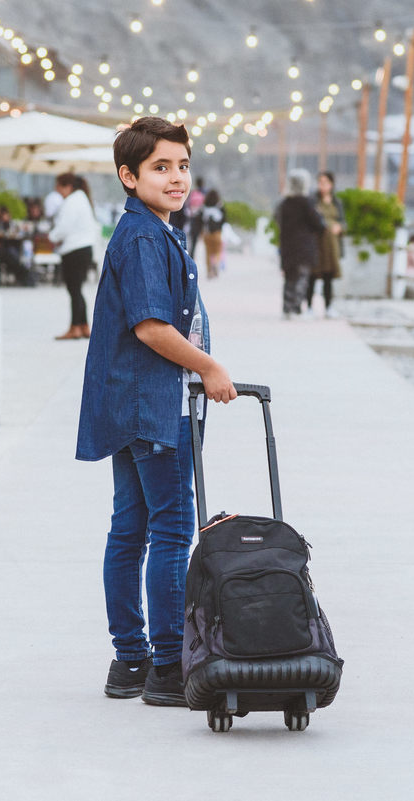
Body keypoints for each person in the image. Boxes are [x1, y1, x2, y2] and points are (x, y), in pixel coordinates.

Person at [76, 116, 237, 707]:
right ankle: (167, 665)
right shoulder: (145, 236)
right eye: (160, 167)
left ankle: (129, 660)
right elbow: (150, 327)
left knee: (131, 527)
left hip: (134, 401)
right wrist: (209, 367)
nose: (176, 178)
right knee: (169, 528)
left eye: (183, 166)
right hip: (154, 405)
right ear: (129, 176)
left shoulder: (150, 230)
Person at [48, 172, 97, 340]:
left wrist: (51, 237)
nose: (57, 191)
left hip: (73, 250)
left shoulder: (71, 201)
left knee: (74, 290)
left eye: (58, 187)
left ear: (67, 186)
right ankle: (83, 326)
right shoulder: (82, 199)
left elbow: (63, 227)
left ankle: (75, 327)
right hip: (84, 249)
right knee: (78, 289)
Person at [274, 169, 326, 319]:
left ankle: (287, 308)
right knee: (301, 278)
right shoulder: (306, 202)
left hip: (287, 246)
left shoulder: (283, 203)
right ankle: (295, 309)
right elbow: (318, 224)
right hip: (304, 247)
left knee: (289, 278)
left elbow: (277, 221)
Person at [309, 171, 346, 318]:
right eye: (320, 182)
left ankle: (328, 307)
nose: (322, 185)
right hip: (316, 244)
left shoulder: (337, 202)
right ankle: (309, 307)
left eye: (325, 182)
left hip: (332, 246)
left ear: (331, 184)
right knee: (312, 276)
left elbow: (343, 222)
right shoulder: (313, 201)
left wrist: (340, 227)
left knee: (328, 277)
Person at [200, 189, 226, 279]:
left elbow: (201, 220)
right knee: (218, 251)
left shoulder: (204, 207)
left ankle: (209, 271)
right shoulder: (220, 206)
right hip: (217, 233)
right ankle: (215, 263)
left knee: (208, 253)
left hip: (207, 233)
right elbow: (224, 220)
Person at [186, 178, 206, 258]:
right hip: (202, 219)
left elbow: (188, 204)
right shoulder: (205, 193)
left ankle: (191, 255)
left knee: (193, 239)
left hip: (193, 218)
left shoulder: (193, 193)